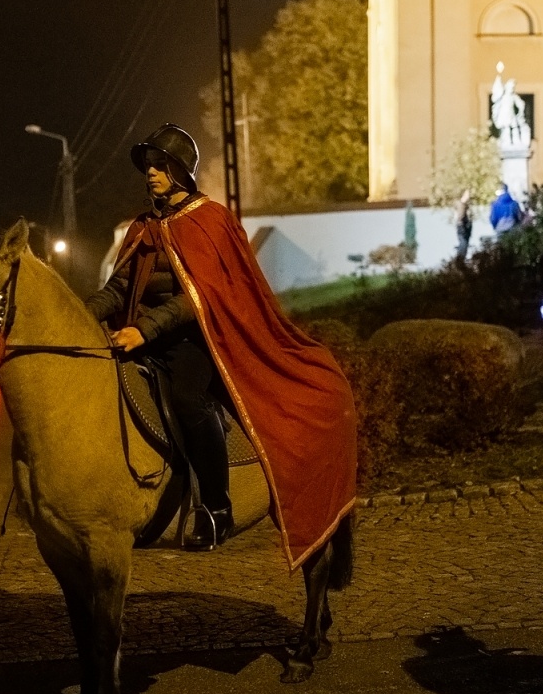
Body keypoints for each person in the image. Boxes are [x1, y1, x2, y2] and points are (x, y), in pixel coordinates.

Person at [85, 123, 358, 555]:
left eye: (160, 166)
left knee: (189, 400)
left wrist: (146, 330)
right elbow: (118, 289)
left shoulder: (210, 219)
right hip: (140, 337)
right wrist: (78, 315)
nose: (151, 173)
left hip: (196, 339)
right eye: (148, 167)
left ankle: (217, 508)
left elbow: (203, 296)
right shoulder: (144, 226)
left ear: (179, 170)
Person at [453, 189, 475, 265]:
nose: (468, 196)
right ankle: (460, 261)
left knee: (463, 244)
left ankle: (460, 261)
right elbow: (461, 216)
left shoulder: (463, 205)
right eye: (467, 194)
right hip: (463, 227)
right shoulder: (461, 205)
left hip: (463, 226)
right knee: (463, 244)